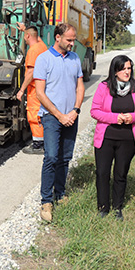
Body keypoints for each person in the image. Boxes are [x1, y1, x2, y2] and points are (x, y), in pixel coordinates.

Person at [34, 23, 85, 222]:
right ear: (58, 38)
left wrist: (75, 110)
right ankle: (46, 201)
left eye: (73, 40)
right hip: (51, 117)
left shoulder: (75, 58)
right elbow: (40, 92)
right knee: (52, 157)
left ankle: (60, 194)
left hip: (71, 116)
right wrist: (59, 115)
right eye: (69, 40)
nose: (73, 43)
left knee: (65, 158)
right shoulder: (44, 59)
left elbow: (80, 87)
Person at [90, 55, 135, 221]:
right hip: (106, 138)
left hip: (128, 139)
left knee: (120, 173)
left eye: (129, 68)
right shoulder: (104, 87)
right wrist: (114, 118)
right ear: (115, 71)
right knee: (102, 172)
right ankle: (103, 208)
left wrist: (133, 117)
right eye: (123, 68)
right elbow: (94, 111)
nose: (127, 72)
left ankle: (117, 207)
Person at [16, 24, 47, 154]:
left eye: (25, 36)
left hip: (34, 89)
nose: (24, 39)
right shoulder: (42, 46)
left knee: (34, 115)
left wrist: (21, 89)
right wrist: (25, 29)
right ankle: (43, 141)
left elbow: (31, 72)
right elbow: (36, 38)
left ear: (28, 36)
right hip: (43, 87)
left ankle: (38, 145)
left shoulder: (33, 51)